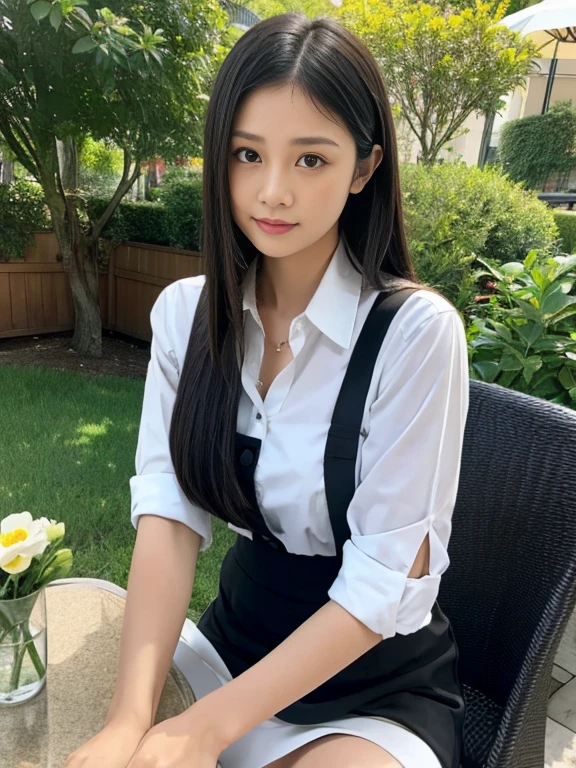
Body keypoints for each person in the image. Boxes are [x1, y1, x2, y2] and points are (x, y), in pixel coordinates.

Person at [65, 12, 470, 768]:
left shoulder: (416, 336)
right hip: (230, 649)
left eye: (311, 159)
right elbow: (168, 514)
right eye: (248, 154)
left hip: (370, 690)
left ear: (364, 167)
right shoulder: (188, 315)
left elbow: (383, 586)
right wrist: (130, 719)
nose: (272, 191)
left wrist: (197, 730)